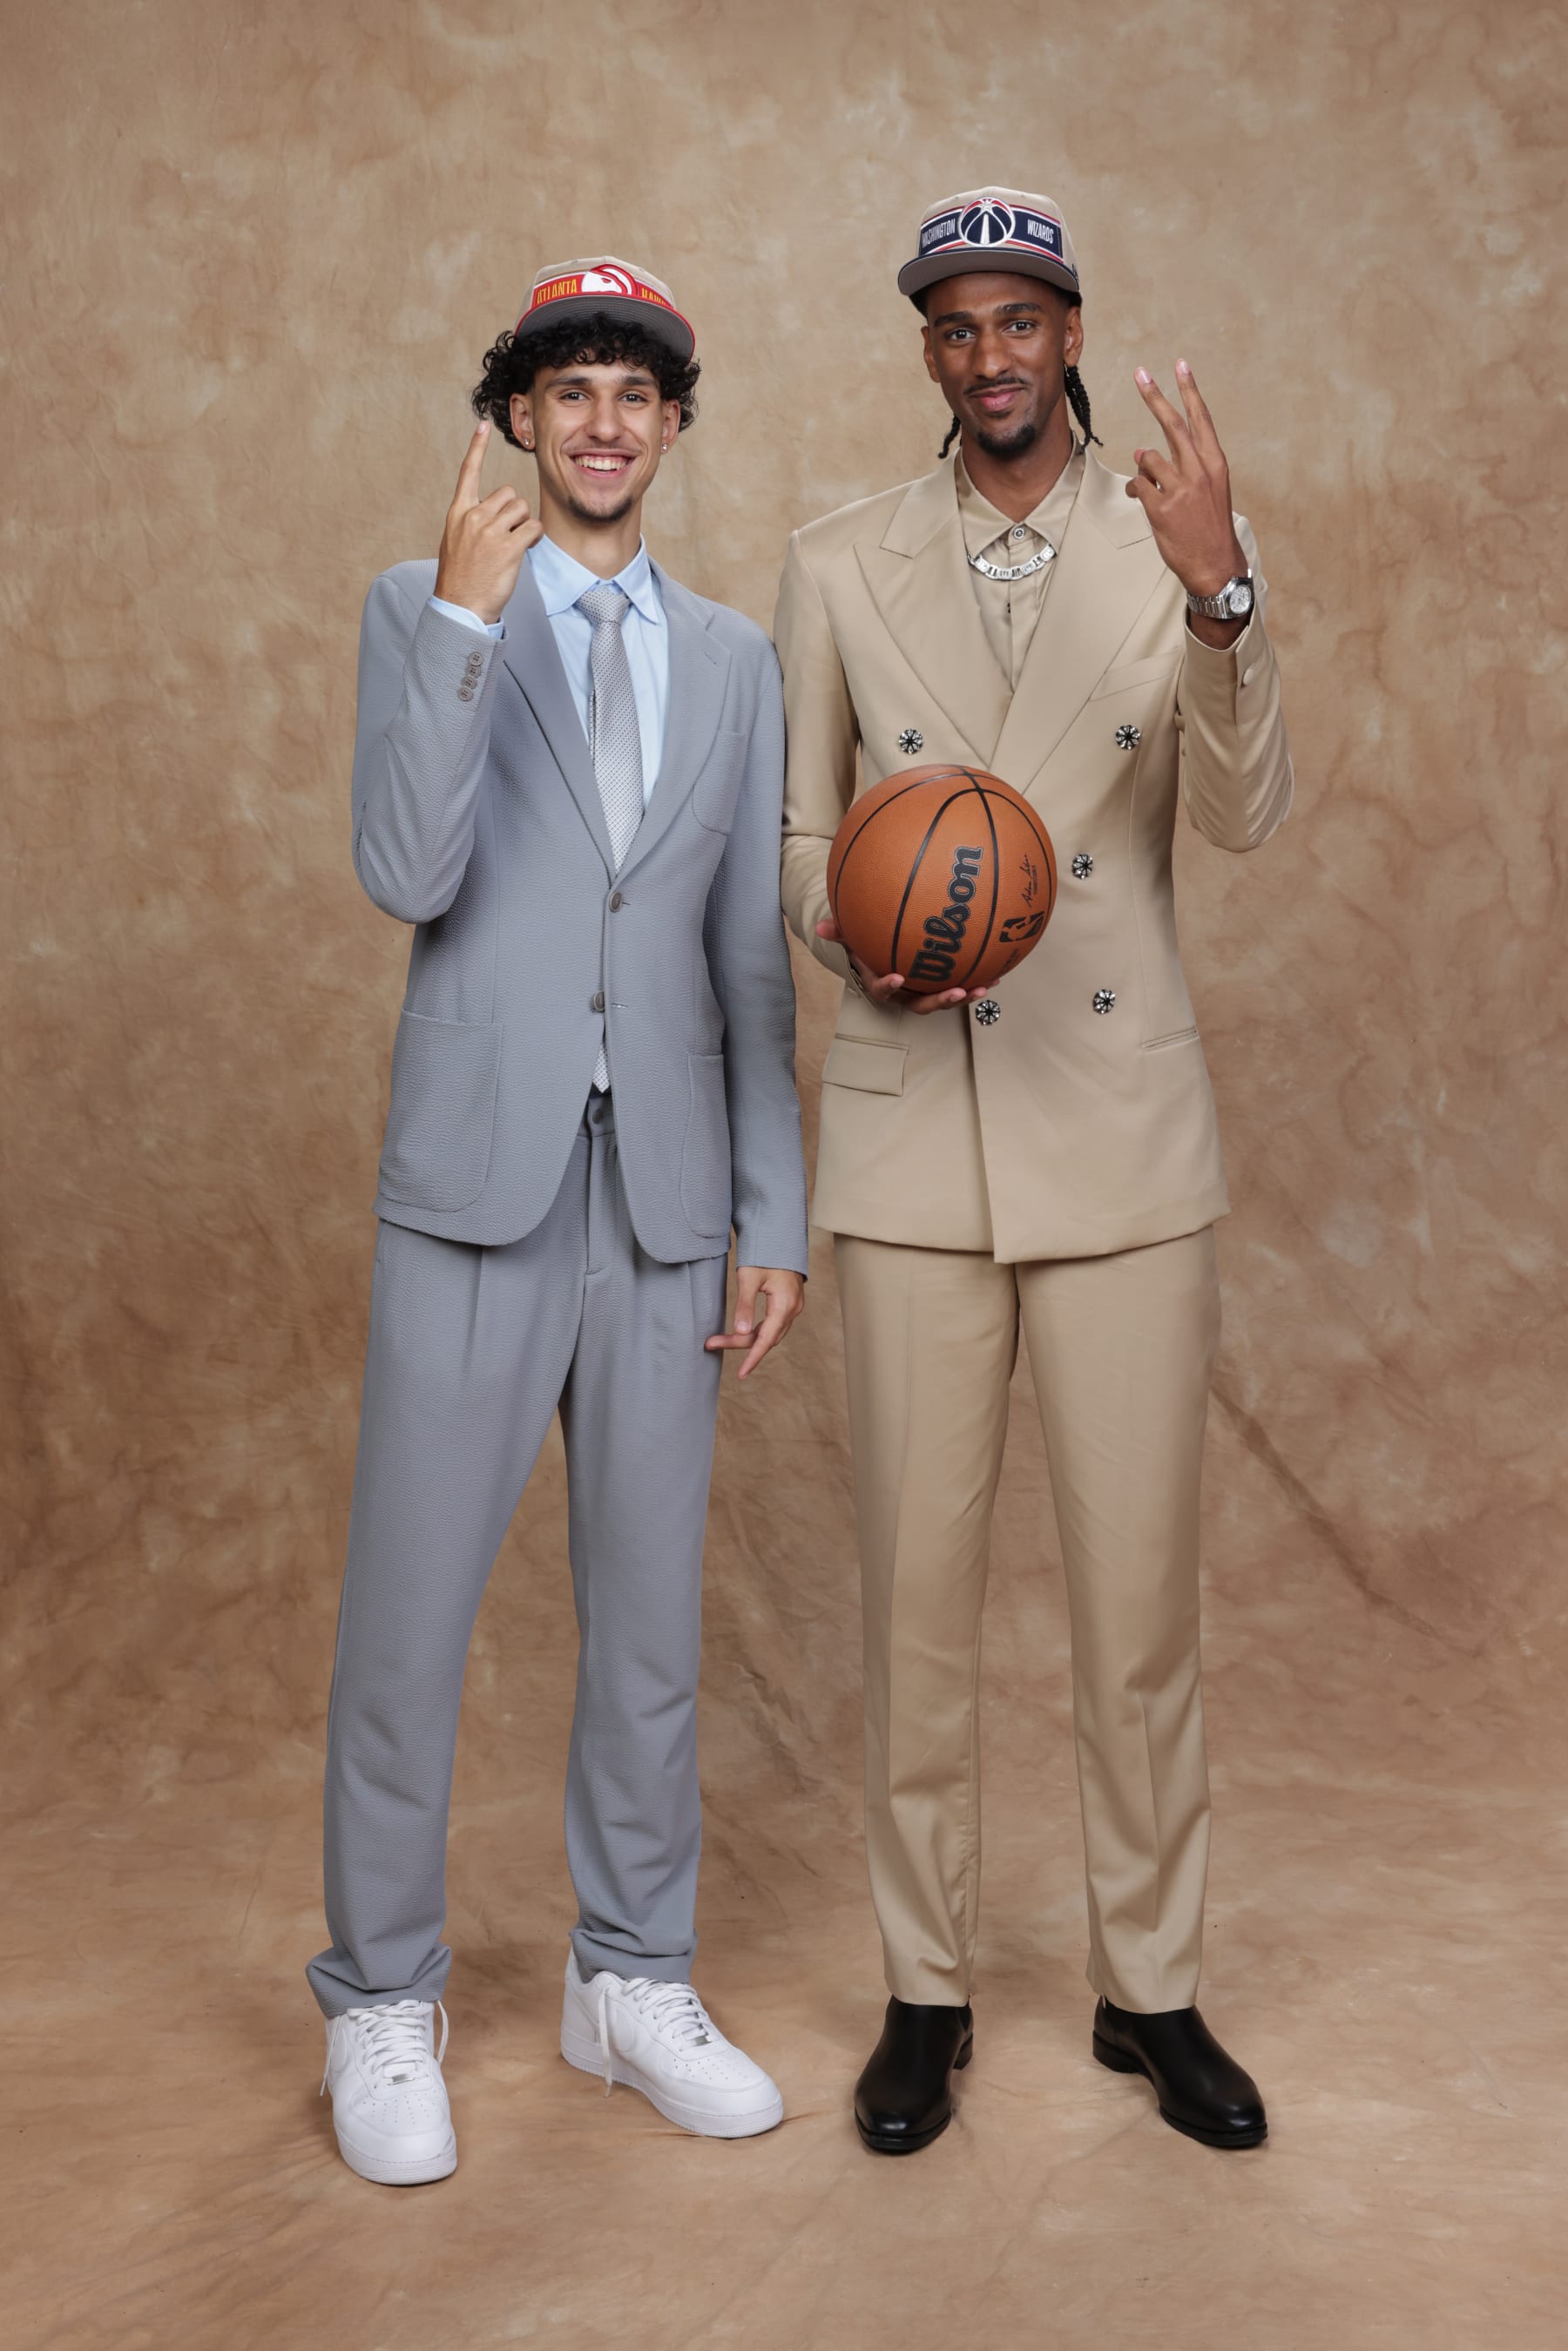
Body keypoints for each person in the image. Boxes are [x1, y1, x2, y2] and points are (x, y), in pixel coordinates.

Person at [775, 188, 1292, 2155]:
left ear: (1075, 332)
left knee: (1137, 1607)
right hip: (912, 1147)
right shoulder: (837, 562)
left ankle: (1150, 1991)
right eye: (953, 327)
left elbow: (1243, 819)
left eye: (1021, 321)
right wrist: (858, 924)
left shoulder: (1173, 545)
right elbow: (792, 840)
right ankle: (926, 1992)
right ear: (928, 352)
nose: (988, 355)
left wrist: (1229, 591)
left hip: (1124, 1146)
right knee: (913, 1603)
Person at [310, 256, 808, 2184]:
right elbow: (403, 868)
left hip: (669, 1202)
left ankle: (633, 1976)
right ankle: (380, 1991)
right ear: (515, 417)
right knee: (407, 1627)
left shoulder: (742, 661)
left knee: (652, 1635)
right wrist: (460, 616)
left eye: (637, 391)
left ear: (673, 426)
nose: (604, 421)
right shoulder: (419, 611)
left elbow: (748, 965)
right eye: (568, 388)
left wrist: (771, 1208)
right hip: (475, 1196)